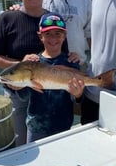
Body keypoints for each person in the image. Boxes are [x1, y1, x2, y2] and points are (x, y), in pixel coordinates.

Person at [0, 0, 71, 146]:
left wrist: (72, 59)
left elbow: (62, 53)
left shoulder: (52, 20)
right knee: (23, 147)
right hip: (19, 94)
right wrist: (21, 64)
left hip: (47, 95)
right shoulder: (7, 18)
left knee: (53, 144)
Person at [25, 12, 84, 142]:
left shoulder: (71, 62)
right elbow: (23, 96)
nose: (53, 39)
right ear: (40, 36)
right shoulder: (33, 63)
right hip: (36, 127)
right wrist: (15, 85)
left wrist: (78, 95)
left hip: (63, 125)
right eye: (48, 34)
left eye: (58, 34)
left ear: (64, 36)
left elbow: (77, 100)